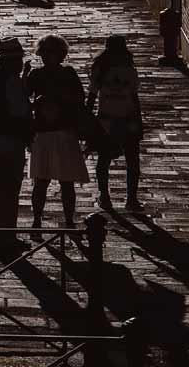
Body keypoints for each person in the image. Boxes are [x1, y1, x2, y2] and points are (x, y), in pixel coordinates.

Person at [27, 34, 88, 232]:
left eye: (50, 53)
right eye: (44, 53)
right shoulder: (36, 75)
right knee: (41, 182)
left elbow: (79, 99)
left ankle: (68, 220)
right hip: (45, 133)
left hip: (63, 132)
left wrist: (59, 98)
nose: (47, 57)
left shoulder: (67, 74)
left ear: (60, 55)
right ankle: (37, 220)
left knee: (66, 182)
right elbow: (24, 99)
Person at [0, 37, 34, 246]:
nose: (21, 64)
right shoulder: (12, 82)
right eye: (19, 60)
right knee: (10, 189)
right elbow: (20, 111)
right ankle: (6, 235)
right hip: (12, 141)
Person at [89, 35, 144, 211]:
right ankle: (130, 199)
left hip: (107, 119)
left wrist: (87, 118)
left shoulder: (101, 68)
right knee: (131, 160)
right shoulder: (128, 68)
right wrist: (139, 119)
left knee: (105, 160)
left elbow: (91, 96)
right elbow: (134, 96)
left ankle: (105, 197)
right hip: (125, 119)